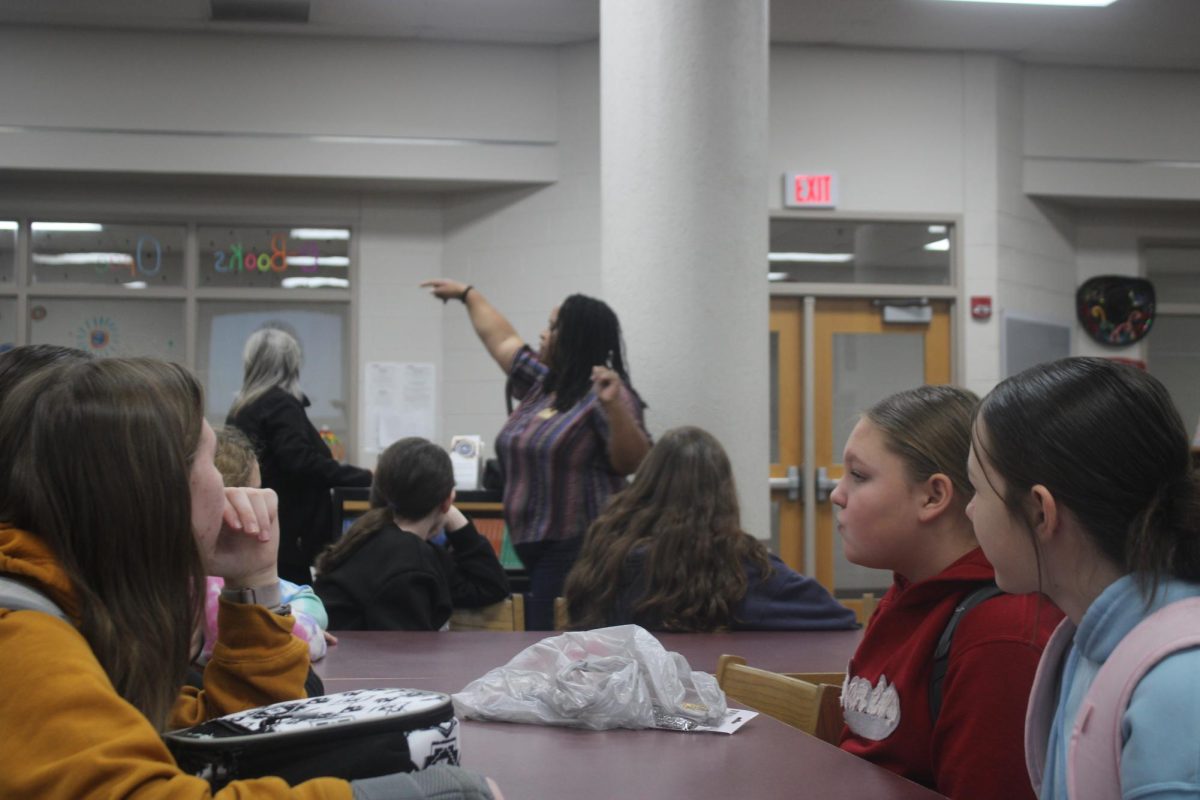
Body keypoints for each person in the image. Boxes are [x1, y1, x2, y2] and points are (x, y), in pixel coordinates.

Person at [0, 357, 498, 799]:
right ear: (157, 493)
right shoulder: (22, 638)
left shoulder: (79, 615)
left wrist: (255, 582)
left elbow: (233, 740)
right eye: (209, 462)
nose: (230, 487)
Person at [968, 357, 1200, 799]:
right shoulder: (1090, 635)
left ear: (1041, 511)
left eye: (978, 489)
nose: (970, 510)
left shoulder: (1181, 682)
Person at [831, 384, 1061, 800]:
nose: (837, 494)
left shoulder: (999, 635)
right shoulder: (908, 592)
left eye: (859, 476)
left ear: (934, 496)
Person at [422, 279, 650, 630]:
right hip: (537, 549)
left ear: (576, 336)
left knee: (550, 646)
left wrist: (614, 407)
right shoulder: (544, 385)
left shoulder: (605, 394)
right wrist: (468, 295)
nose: (543, 334)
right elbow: (503, 342)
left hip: (579, 549)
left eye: (553, 326)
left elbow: (633, 461)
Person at [563, 426, 855, 632]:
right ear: (721, 493)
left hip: (603, 698)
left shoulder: (607, 544)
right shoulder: (736, 562)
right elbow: (835, 616)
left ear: (647, 480)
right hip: (704, 704)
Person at [314, 437, 511, 631]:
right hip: (359, 662)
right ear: (447, 500)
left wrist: (453, 516)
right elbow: (406, 655)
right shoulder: (409, 558)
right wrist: (452, 514)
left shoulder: (373, 539)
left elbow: (490, 587)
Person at [226, 327, 372, 586]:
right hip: (288, 535)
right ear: (291, 364)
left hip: (257, 526)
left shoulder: (242, 408)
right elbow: (300, 462)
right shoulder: (281, 405)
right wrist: (365, 477)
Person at [199, 426, 333, 663]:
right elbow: (304, 641)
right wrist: (298, 627)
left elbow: (306, 597)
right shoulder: (210, 586)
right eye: (256, 491)